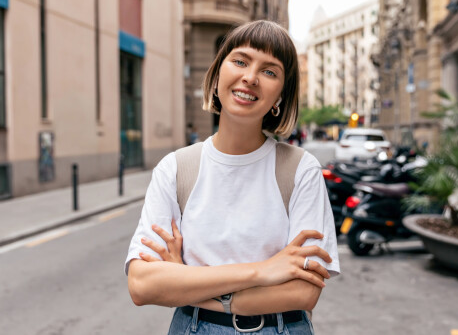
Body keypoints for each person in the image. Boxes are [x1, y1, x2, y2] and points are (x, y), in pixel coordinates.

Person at [125, 20, 340, 334]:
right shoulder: (176, 169)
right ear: (216, 77)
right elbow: (143, 285)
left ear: (280, 96)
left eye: (270, 71)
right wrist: (262, 271)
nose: (250, 77)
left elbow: (303, 293)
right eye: (240, 61)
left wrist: (189, 283)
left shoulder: (300, 170)